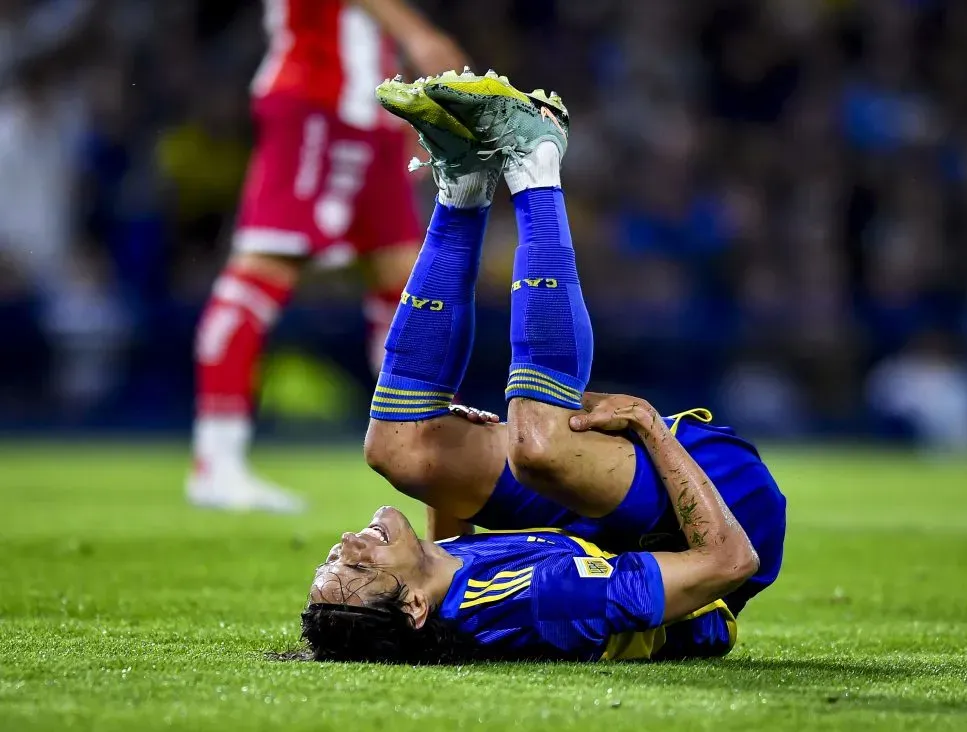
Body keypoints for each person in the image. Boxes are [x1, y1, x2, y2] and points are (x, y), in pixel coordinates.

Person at [300, 71, 787, 662]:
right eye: (356, 566)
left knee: (399, 449)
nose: (347, 543)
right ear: (412, 608)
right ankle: (536, 160)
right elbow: (731, 563)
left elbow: (452, 546)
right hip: (725, 513)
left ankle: (465, 184)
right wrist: (650, 427)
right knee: (538, 446)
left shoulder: (449, 596)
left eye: (333, 558)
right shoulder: (546, 604)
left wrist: (438, 466)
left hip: (602, 531)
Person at [187, 0, 470, 513]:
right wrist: (418, 34)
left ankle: (423, 444)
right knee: (262, 269)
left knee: (407, 284)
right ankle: (216, 461)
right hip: (316, 99)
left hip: (369, 111)